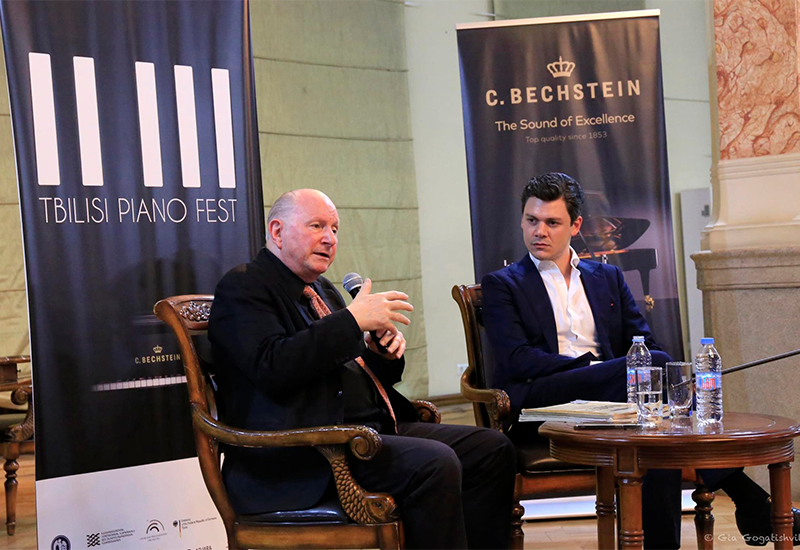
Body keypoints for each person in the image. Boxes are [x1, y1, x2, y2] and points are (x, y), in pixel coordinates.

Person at [481, 172, 798, 549]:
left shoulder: (606, 277)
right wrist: (597, 369)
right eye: (532, 220)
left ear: (575, 225)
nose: (539, 232)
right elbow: (517, 360)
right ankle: (751, 502)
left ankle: (666, 543)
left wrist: (622, 375)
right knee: (651, 379)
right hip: (543, 401)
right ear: (522, 220)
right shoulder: (503, 283)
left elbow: (643, 342)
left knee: (655, 427)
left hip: (613, 401)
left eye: (552, 222)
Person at [208, 188, 516, 550]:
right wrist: (352, 322)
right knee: (436, 462)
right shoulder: (244, 286)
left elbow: (351, 374)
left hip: (366, 434)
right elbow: (272, 367)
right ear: (277, 231)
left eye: (335, 229)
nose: (329, 238)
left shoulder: (323, 290)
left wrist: (381, 354)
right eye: (317, 226)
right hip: (308, 454)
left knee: (492, 448)